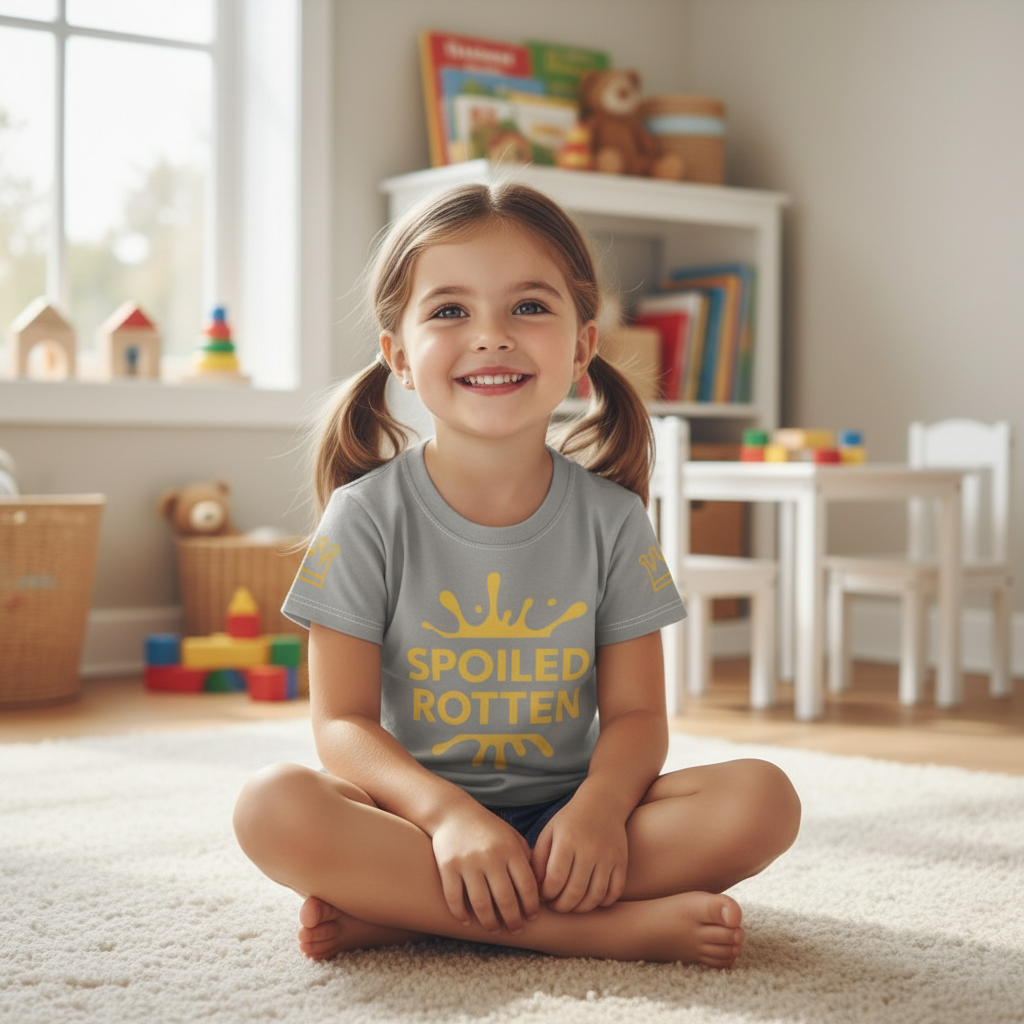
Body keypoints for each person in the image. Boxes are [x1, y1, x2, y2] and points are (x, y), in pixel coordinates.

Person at [233, 180, 800, 968]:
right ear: (397, 353)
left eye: (529, 307)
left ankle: (408, 916)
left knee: (763, 800)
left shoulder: (614, 520)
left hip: (576, 822)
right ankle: (598, 932)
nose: (491, 336)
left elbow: (637, 717)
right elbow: (342, 726)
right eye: (450, 310)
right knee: (271, 805)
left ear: (581, 347)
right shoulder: (364, 517)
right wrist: (450, 818)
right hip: (419, 826)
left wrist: (600, 812)